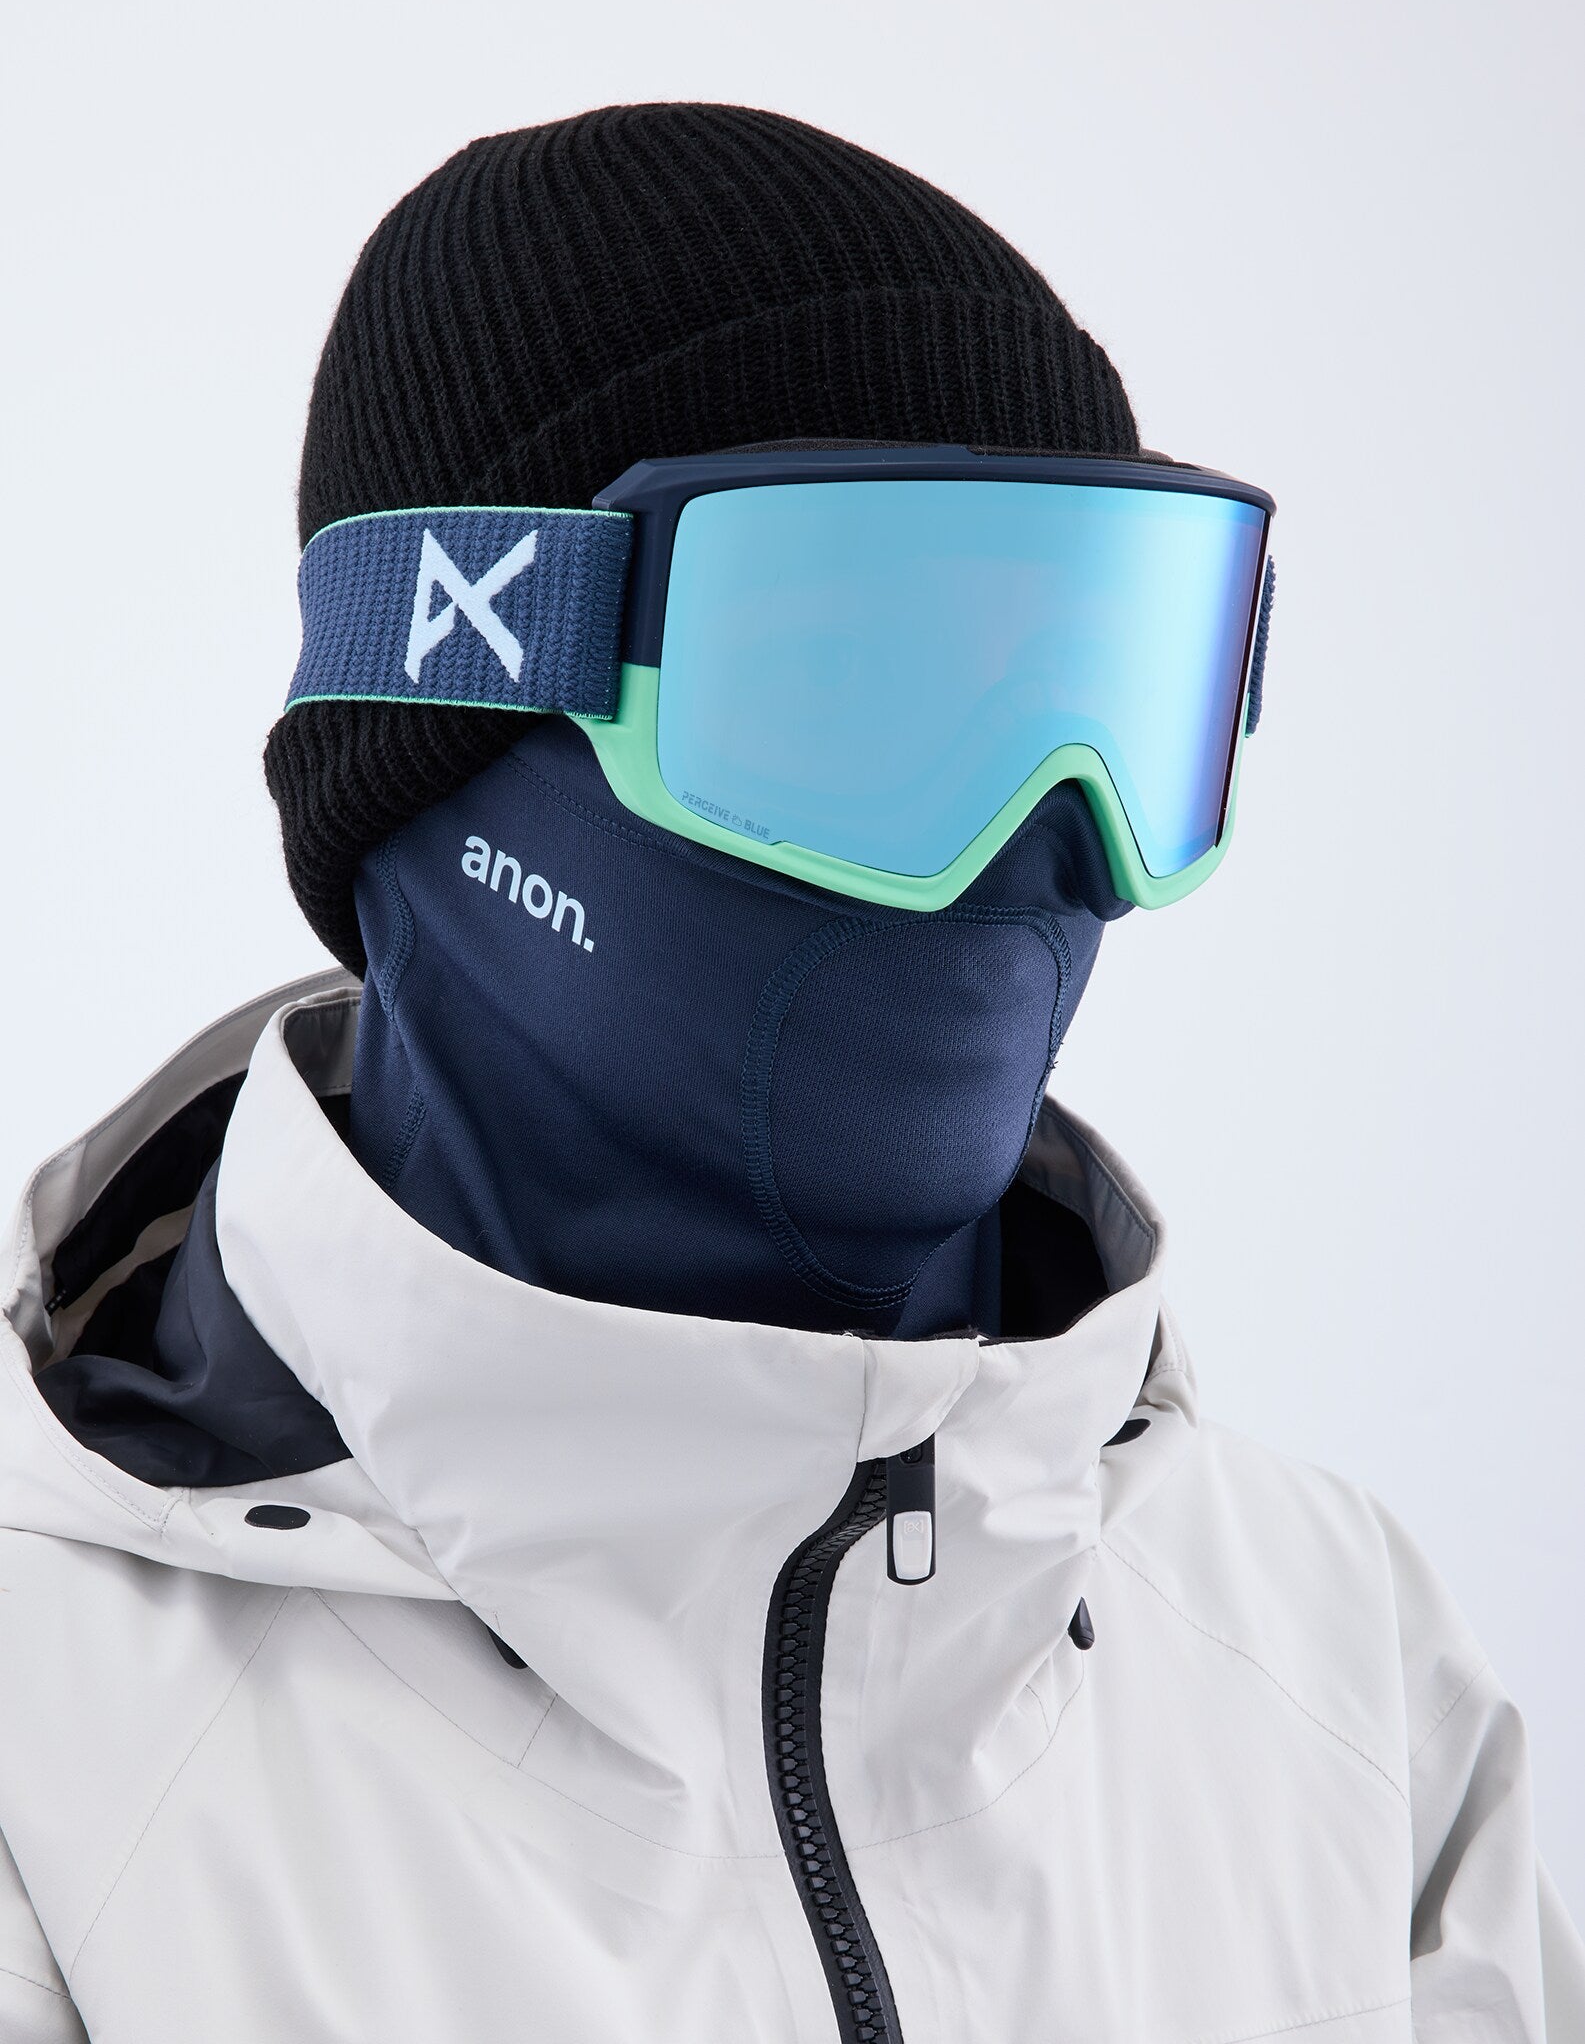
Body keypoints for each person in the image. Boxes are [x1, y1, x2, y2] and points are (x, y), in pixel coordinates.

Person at [0, 103, 1577, 2044]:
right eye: (850, 685)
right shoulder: (52, 1750)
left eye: (1109, 697)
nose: (1039, 844)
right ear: (459, 701)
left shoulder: (1333, 1662)